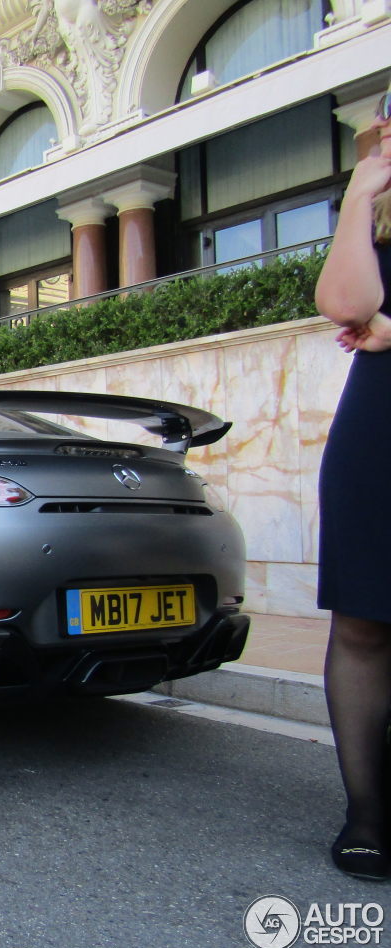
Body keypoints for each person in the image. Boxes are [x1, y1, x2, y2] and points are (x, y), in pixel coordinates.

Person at [313, 86, 391, 882]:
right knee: (365, 622)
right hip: (380, 430)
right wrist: (360, 197)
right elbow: (343, 302)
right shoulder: (375, 210)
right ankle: (367, 813)